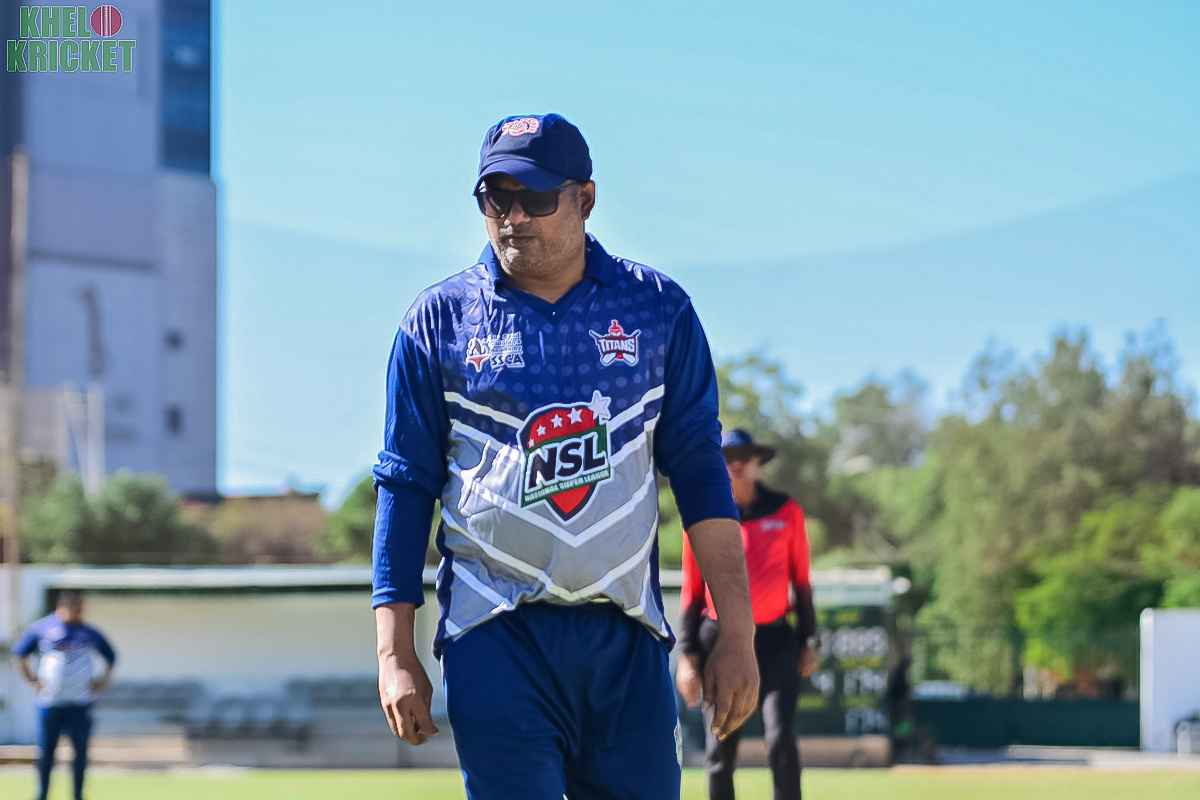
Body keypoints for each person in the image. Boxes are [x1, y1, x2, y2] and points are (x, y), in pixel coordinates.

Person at [371, 113, 760, 800]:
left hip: (627, 637)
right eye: (497, 197)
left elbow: (702, 476)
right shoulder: (437, 322)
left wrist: (738, 632)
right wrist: (394, 653)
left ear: (585, 199)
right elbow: (405, 489)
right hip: (494, 630)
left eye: (536, 197)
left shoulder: (659, 310)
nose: (514, 216)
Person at [677, 429, 817, 800]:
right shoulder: (702, 514)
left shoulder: (786, 511)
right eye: (728, 457)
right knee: (719, 750)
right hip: (718, 641)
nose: (736, 464)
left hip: (775, 641)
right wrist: (688, 656)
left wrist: (808, 639)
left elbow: (802, 581)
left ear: (757, 461)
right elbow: (692, 589)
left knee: (780, 740)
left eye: (744, 456)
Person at [11, 589, 117, 800]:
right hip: (50, 703)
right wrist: (31, 679)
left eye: (82, 607)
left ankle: (78, 795)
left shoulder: (89, 632)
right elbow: (19, 655)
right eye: (76, 606)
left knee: (80, 752)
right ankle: (42, 794)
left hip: (80, 704)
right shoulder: (42, 628)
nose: (80, 611)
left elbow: (111, 656)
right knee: (46, 752)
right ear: (62, 606)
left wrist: (102, 680)